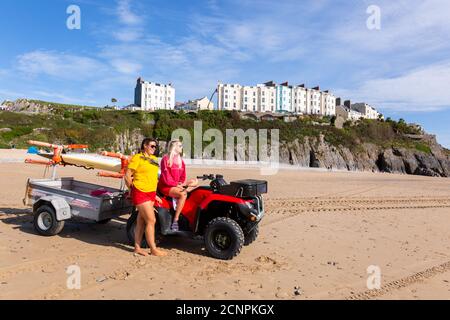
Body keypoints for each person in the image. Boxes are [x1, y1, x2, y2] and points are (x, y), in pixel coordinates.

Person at [124, 138, 167, 257]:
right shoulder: (137, 158)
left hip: (151, 193)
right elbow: (127, 176)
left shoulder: (154, 160)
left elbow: (153, 179)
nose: (154, 148)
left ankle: (137, 248)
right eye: (152, 146)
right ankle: (153, 249)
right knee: (151, 220)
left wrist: (155, 195)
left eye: (155, 147)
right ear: (145, 146)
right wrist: (131, 191)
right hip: (140, 192)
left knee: (141, 221)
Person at [158, 139, 198, 231]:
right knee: (183, 194)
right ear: (174, 147)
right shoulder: (166, 159)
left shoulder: (181, 161)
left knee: (195, 187)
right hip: (166, 186)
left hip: (176, 185)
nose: (181, 147)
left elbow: (183, 176)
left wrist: (182, 183)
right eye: (179, 146)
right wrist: (178, 185)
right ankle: (175, 220)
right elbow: (165, 178)